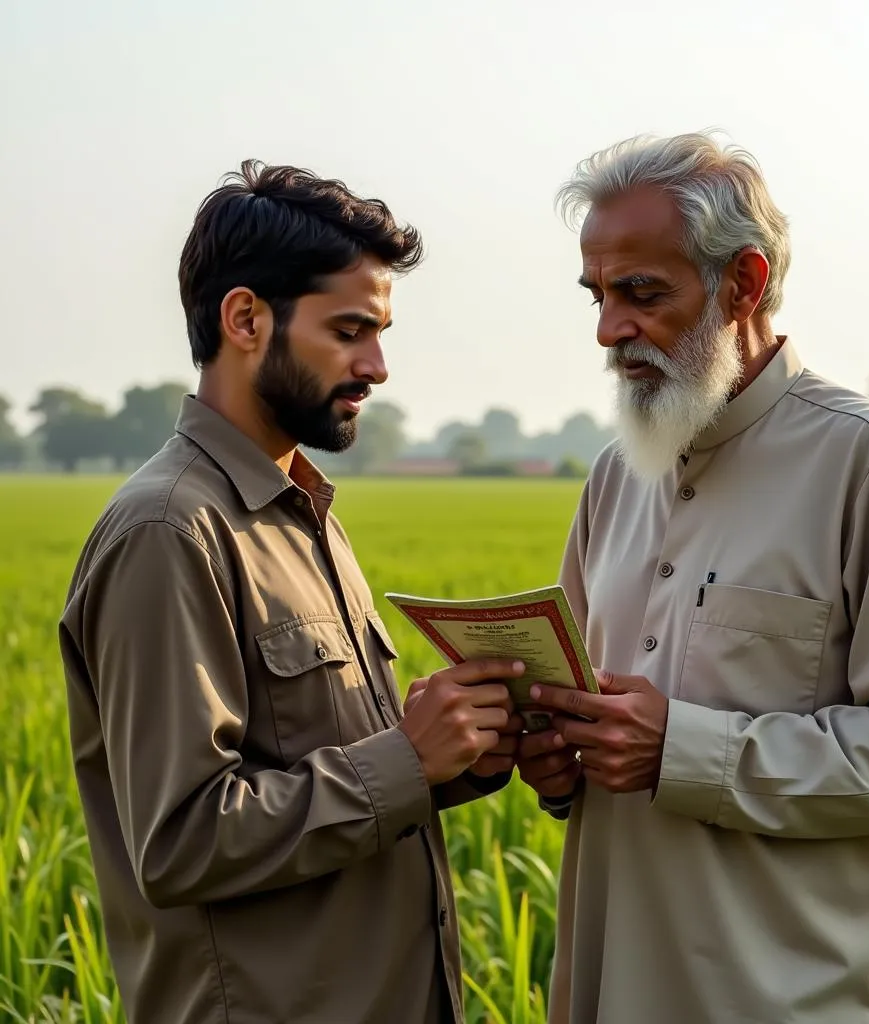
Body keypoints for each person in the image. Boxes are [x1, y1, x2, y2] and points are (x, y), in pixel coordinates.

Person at [515, 132, 869, 1024]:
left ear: (745, 282)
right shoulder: (617, 476)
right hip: (612, 986)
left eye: (641, 293)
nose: (611, 328)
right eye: (600, 295)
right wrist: (554, 760)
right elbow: (584, 714)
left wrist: (682, 750)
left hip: (793, 997)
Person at [57, 160, 524, 1024]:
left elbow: (316, 766)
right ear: (244, 318)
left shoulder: (297, 510)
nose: (377, 366)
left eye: (380, 333)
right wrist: (407, 761)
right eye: (349, 331)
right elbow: (183, 840)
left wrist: (452, 763)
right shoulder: (169, 532)